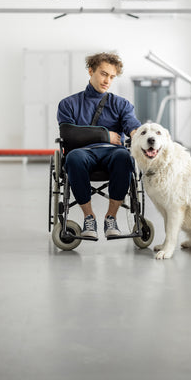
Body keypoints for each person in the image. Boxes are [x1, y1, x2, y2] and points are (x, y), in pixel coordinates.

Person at [57, 52, 141, 240]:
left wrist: (139, 135)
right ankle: (89, 217)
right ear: (91, 71)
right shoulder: (69, 104)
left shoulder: (121, 104)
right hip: (81, 154)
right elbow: (68, 134)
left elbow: (132, 125)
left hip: (113, 154)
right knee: (73, 158)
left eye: (111, 77)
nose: (107, 80)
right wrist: (104, 135)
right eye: (103, 74)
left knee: (124, 156)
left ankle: (111, 217)